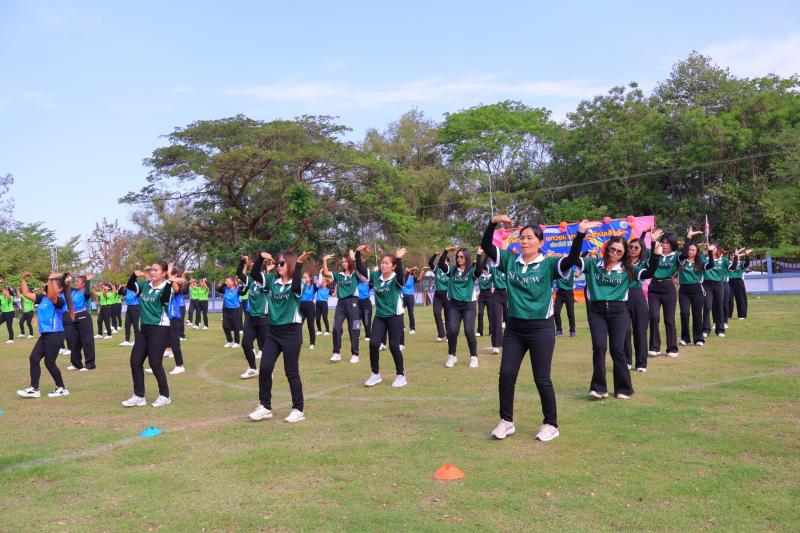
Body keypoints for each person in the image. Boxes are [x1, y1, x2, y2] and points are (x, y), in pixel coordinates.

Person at [482, 215, 598, 442]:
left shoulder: (549, 263)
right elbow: (487, 245)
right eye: (522, 237)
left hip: (541, 329)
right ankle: (506, 421)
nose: (524, 241)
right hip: (515, 329)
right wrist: (493, 222)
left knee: (542, 378)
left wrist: (580, 234)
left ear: (540, 242)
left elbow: (572, 259)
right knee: (506, 375)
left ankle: (551, 424)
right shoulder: (509, 260)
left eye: (530, 238)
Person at [581, 231, 662, 400]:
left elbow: (648, 273)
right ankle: (599, 388)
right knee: (599, 347)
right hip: (597, 312)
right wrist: (581, 234)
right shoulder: (593, 264)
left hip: (619, 312)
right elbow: (573, 259)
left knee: (617, 350)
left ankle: (624, 389)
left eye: (619, 251)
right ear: (607, 248)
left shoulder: (628, 269)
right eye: (612, 249)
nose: (615, 254)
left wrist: (655, 253)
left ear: (624, 254)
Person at [248, 250, 312, 424]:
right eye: (277, 263)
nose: (278, 266)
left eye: (282, 263)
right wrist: (260, 258)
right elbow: (254, 275)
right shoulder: (271, 281)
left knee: (291, 372)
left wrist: (299, 264)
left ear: (290, 264)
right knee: (265, 368)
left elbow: (297, 288)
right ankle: (265, 407)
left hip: (291, 332)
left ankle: (298, 409)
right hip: (273, 332)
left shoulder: (298, 282)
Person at [121, 262, 177, 408]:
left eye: (156, 270)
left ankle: (165, 395)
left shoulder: (167, 287)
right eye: (151, 269)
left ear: (163, 273)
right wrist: (134, 275)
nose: (152, 272)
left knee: (155, 363)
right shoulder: (145, 285)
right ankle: (139, 396)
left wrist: (169, 282)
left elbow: (164, 299)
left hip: (159, 328)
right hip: (144, 328)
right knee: (135, 361)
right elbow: (130, 286)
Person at [355, 244, 408, 388]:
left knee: (394, 346)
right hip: (380, 316)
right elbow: (360, 268)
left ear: (393, 266)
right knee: (373, 344)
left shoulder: (397, 279)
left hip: (395, 316)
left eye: (386, 263)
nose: (383, 265)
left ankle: (401, 375)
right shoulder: (375, 276)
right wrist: (358, 252)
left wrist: (398, 259)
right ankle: (375, 374)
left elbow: (401, 275)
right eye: (382, 262)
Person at [16, 272, 74, 398]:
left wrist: (50, 278)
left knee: (49, 362)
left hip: (55, 334)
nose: (50, 286)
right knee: (34, 358)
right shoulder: (43, 299)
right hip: (45, 335)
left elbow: (52, 296)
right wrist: (23, 279)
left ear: (60, 289)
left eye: (53, 285)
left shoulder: (59, 300)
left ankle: (62, 388)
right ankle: (34, 389)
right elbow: (26, 293)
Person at [438, 246, 482, 368]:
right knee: (452, 331)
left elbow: (479, 270)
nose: (459, 258)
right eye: (457, 256)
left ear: (467, 258)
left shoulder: (471, 271)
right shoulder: (452, 270)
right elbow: (441, 264)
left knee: (469, 331)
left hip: (469, 305)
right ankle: (452, 356)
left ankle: (473, 357)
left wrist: (479, 255)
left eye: (461, 257)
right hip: (454, 305)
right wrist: (446, 251)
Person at [321, 251, 361, 363]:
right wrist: (324, 260)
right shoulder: (339, 275)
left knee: (354, 328)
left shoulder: (355, 274)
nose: (344, 263)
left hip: (353, 302)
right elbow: (326, 272)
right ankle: (336, 353)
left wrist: (354, 258)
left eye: (346, 261)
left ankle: (355, 354)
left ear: (350, 262)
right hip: (341, 303)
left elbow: (360, 269)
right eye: (342, 262)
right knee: (336, 328)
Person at [648, 232, 682, 357]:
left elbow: (685, 255)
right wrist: (653, 241)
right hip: (654, 287)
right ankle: (654, 347)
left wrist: (688, 238)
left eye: (667, 243)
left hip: (668, 288)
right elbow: (646, 252)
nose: (664, 245)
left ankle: (672, 348)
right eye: (663, 242)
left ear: (672, 244)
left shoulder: (676, 256)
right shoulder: (656, 253)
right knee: (653, 317)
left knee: (669, 319)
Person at [237, 254, 269, 380]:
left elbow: (256, 274)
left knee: (267, 348)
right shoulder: (250, 281)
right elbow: (239, 273)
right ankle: (253, 368)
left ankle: (268, 370)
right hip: (252, 319)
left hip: (264, 320)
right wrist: (242, 261)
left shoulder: (266, 285)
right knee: (245, 344)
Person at [623, 235, 651, 372]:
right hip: (622, 297)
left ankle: (641, 363)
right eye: (631, 247)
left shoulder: (644, 262)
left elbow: (653, 257)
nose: (633, 249)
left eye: (636, 247)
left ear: (641, 250)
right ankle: (626, 361)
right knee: (624, 330)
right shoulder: (622, 261)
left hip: (637, 296)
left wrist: (652, 240)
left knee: (640, 331)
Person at [678, 228, 709, 348]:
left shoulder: (700, 262)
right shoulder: (681, 260)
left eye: (693, 250)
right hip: (684, 291)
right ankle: (685, 338)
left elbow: (710, 265)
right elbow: (684, 253)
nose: (690, 252)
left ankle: (698, 338)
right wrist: (688, 237)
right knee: (684, 313)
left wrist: (711, 252)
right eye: (689, 249)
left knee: (697, 315)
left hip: (697, 290)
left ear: (697, 252)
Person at [64, 274, 97, 371]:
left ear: (83, 284)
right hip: (73, 316)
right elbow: (65, 287)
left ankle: (90, 364)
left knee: (87, 341)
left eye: (77, 282)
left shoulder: (85, 293)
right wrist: (66, 279)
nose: (76, 283)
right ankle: (76, 364)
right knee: (74, 341)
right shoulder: (74, 291)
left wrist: (88, 281)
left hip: (83, 317)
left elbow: (87, 294)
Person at [703, 243, 735, 338]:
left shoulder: (723, 260)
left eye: (713, 248)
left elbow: (732, 268)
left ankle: (720, 329)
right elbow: (710, 265)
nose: (712, 250)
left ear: (717, 250)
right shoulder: (704, 259)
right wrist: (708, 252)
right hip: (707, 285)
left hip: (718, 285)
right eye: (710, 248)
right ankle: (706, 329)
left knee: (719, 307)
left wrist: (736, 257)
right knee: (707, 306)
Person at [428, 252, 451, 342]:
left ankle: (449, 336)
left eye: (445, 261)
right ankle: (442, 334)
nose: (443, 262)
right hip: (437, 294)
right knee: (436, 313)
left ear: (448, 262)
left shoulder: (450, 270)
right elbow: (430, 263)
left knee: (448, 316)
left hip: (447, 295)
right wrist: (434, 255)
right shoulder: (437, 269)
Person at [218, 277, 242, 348]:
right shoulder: (225, 289)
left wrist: (245, 286)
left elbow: (243, 293)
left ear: (232, 282)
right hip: (226, 309)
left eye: (228, 281)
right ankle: (230, 341)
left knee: (235, 326)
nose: (226, 282)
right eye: (226, 281)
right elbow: (218, 289)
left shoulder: (237, 290)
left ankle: (237, 342)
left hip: (235, 310)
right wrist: (223, 283)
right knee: (225, 325)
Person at [728, 247, 751, 320]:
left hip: (738, 281)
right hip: (729, 282)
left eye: (734, 255)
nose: (733, 256)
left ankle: (742, 315)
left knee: (741, 298)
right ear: (729, 256)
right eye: (731, 255)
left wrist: (747, 256)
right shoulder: (727, 263)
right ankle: (728, 315)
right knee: (729, 299)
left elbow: (747, 264)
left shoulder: (741, 263)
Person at [553, 267, 576, 338]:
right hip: (560, 293)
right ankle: (559, 330)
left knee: (570, 313)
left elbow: (577, 274)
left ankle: (572, 331)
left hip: (569, 293)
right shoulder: (558, 271)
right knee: (556, 312)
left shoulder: (572, 271)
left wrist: (578, 269)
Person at [118, 280, 140, 347]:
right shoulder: (127, 290)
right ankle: (127, 341)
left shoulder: (136, 289)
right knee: (127, 324)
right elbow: (119, 293)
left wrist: (131, 284)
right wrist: (122, 286)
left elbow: (137, 288)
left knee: (135, 325)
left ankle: (137, 341)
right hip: (129, 307)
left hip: (135, 307)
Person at [299, 272, 317, 349]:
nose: (303, 279)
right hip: (300, 306)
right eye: (303, 277)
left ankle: (312, 343)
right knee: (298, 325)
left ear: (310, 278)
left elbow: (319, 282)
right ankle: (300, 342)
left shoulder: (313, 286)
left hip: (310, 307)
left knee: (310, 325)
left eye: (305, 277)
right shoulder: (301, 286)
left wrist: (320, 273)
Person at [476, 263, 494, 339]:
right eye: (483, 269)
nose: (484, 271)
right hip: (481, 296)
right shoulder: (480, 276)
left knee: (490, 314)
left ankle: (491, 331)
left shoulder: (491, 276)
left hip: (489, 295)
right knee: (480, 313)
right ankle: (479, 331)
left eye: (485, 269)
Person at [401, 267, 417, 336]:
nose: (406, 269)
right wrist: (409, 270)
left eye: (408, 269)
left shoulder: (413, 278)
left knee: (411, 313)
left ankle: (412, 328)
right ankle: (402, 327)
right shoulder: (404, 277)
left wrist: (423, 271)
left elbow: (419, 279)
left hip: (410, 296)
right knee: (400, 312)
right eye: (406, 269)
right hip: (403, 296)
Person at [356, 273, 373, 341]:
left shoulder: (369, 284)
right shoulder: (358, 282)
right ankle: (356, 334)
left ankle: (368, 335)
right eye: (361, 276)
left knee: (366, 320)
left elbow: (373, 278)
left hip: (366, 303)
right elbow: (357, 272)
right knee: (356, 319)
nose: (362, 277)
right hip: (358, 303)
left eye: (364, 276)